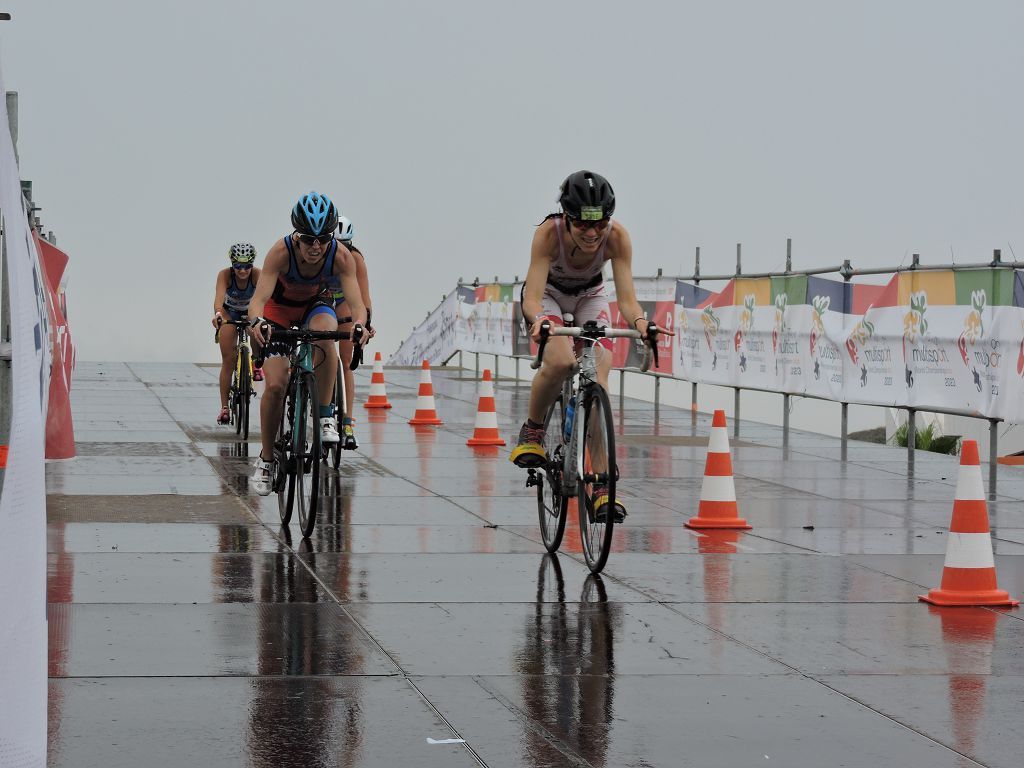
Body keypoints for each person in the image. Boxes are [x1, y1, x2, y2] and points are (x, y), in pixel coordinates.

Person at [510, 170, 663, 523]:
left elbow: (627, 302)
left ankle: (602, 487)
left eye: (600, 224)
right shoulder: (549, 234)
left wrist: (641, 324)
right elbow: (532, 298)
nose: (593, 233)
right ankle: (533, 430)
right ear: (566, 217)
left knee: (599, 381)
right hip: (548, 295)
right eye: (583, 225)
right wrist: (541, 323)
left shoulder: (617, 238)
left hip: (590, 296)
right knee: (562, 361)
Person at [247, 192, 366, 496]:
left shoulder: (340, 256)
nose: (316, 246)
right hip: (278, 311)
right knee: (275, 385)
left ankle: (326, 415)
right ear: (296, 235)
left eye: (323, 239)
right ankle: (266, 458)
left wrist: (361, 326)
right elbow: (258, 300)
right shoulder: (280, 252)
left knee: (327, 335)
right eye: (308, 239)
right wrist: (257, 322)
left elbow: (356, 303)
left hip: (316, 305)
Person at [331, 215, 375, 449]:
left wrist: (365, 325)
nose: (342, 251)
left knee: (346, 363)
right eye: (337, 245)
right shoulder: (319, 254)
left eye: (346, 245)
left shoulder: (356, 258)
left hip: (344, 301)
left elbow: (364, 297)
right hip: (322, 299)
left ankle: (347, 422)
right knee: (322, 349)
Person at [211, 243, 262, 425]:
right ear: (232, 265)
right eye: (238, 266)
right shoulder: (224, 275)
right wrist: (218, 315)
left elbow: (266, 298)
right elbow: (218, 299)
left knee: (256, 330)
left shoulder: (257, 275)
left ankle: (256, 362)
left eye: (247, 266)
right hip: (229, 312)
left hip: (250, 311)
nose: (243, 271)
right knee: (228, 361)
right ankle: (225, 408)